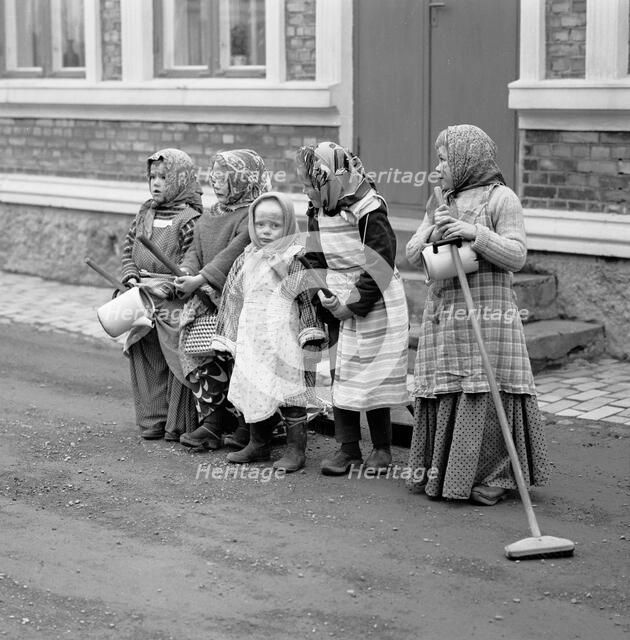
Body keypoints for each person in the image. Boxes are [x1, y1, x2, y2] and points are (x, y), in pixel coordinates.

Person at [405, 124, 550, 505]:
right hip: (447, 311)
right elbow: (411, 251)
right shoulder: (439, 200)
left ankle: (497, 476)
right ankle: (446, 474)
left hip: (489, 315)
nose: (438, 166)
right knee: (452, 386)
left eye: (444, 158)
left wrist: (473, 232)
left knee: (487, 389)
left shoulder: (502, 199)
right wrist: (434, 233)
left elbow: (517, 256)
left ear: (469, 158)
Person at [296, 142, 410, 476]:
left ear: (329, 176)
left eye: (308, 183)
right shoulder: (318, 207)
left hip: (372, 298)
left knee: (371, 373)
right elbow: (314, 254)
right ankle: (347, 448)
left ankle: (382, 448)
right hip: (336, 293)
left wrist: (354, 305)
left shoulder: (367, 208)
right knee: (340, 373)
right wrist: (322, 292)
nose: (306, 190)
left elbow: (380, 262)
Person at [211, 192, 327, 472]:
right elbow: (233, 295)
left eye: (274, 226)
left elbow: (307, 297)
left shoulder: (294, 257)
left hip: (284, 338)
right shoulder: (246, 257)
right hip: (253, 339)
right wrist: (227, 334)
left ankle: (296, 449)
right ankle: (258, 443)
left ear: (287, 225)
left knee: (290, 393)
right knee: (254, 387)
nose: (266, 231)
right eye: (260, 224)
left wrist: (310, 333)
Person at [174, 149, 271, 450]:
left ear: (243, 179)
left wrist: (200, 279)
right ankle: (212, 424)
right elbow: (195, 250)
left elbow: (233, 254)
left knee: (237, 360)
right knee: (205, 356)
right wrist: (186, 270)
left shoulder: (254, 214)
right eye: (214, 174)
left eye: (225, 176)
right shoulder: (211, 213)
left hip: (237, 304)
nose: (216, 181)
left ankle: (246, 426)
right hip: (207, 302)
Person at [120, 148, 203, 440]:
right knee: (145, 354)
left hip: (173, 300)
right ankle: (152, 419)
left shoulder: (190, 218)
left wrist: (169, 286)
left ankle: (177, 424)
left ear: (181, 179)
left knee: (175, 359)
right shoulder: (146, 212)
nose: (156, 183)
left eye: (164, 177)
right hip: (142, 295)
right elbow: (129, 249)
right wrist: (129, 274)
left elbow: (192, 260)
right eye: (152, 176)